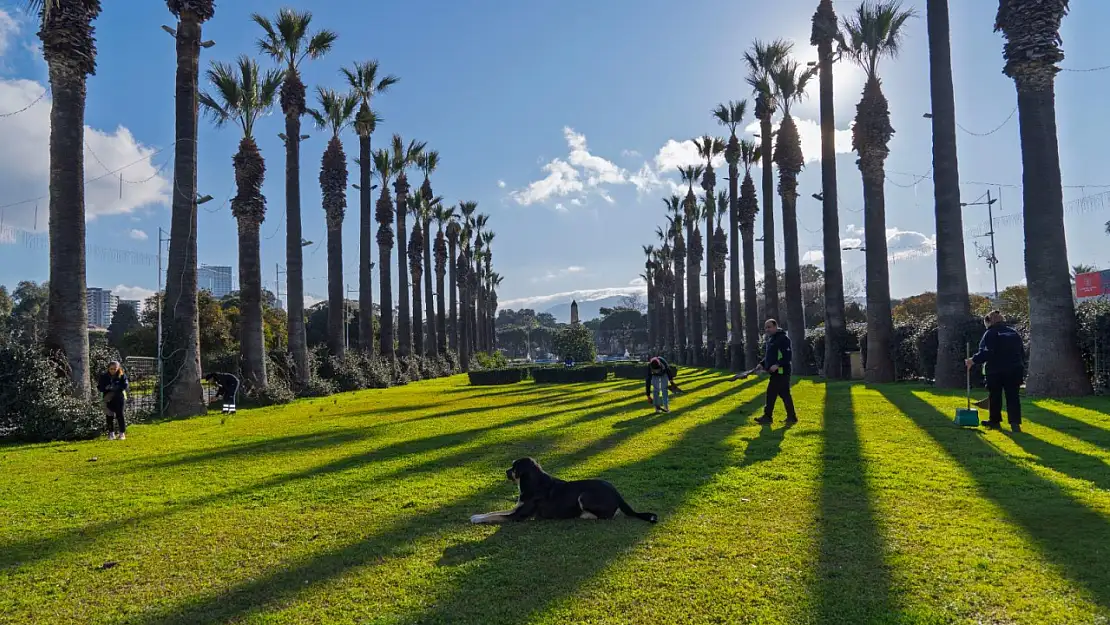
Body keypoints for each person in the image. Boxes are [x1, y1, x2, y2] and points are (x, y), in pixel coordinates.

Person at [966, 310, 1024, 433]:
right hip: (1014, 369)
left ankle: (995, 421)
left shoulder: (990, 333)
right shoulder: (1013, 333)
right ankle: (1015, 424)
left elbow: (987, 352)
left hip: (995, 370)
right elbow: (1021, 352)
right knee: (1013, 396)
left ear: (988, 321)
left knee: (995, 396)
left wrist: (972, 360)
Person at [734, 319, 797, 425]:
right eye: (766, 327)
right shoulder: (771, 339)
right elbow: (770, 356)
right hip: (776, 372)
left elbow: (787, 356)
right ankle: (792, 417)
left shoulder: (783, 339)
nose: (767, 329)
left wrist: (777, 365)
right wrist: (762, 364)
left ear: (775, 326)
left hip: (782, 371)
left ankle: (768, 417)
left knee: (771, 393)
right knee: (784, 394)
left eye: (769, 327)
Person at [96, 361, 130, 440]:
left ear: (118, 368)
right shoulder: (104, 376)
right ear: (108, 368)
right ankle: (111, 433)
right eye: (111, 369)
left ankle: (122, 433)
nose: (113, 371)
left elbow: (125, 385)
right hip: (107, 398)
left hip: (119, 397)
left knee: (120, 415)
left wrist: (116, 387)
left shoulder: (122, 375)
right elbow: (100, 387)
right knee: (109, 416)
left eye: (115, 369)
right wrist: (106, 388)